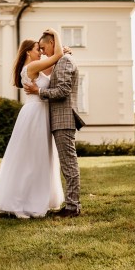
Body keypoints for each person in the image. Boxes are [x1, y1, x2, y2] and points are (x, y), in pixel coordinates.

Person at [0, 30, 65, 218]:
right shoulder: (32, 67)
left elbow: (55, 63)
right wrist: (55, 34)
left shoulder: (36, 68)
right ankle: (19, 204)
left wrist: (63, 52)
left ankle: (33, 200)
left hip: (40, 113)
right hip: (35, 114)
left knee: (38, 158)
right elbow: (57, 56)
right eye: (38, 49)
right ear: (28, 51)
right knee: (30, 158)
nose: (41, 52)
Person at [24, 30, 82, 217]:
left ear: (51, 43)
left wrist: (39, 92)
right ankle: (72, 205)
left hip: (63, 119)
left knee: (69, 164)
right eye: (39, 49)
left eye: (43, 47)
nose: (43, 52)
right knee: (67, 164)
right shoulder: (61, 60)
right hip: (58, 119)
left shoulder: (64, 61)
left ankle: (73, 207)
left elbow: (63, 90)